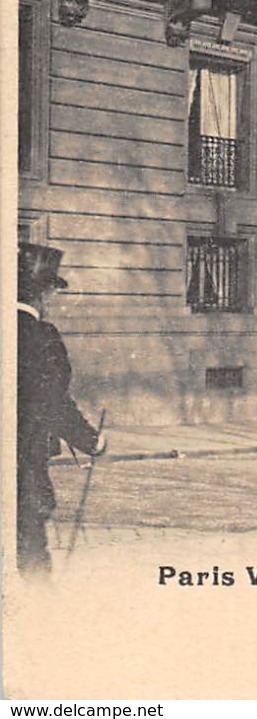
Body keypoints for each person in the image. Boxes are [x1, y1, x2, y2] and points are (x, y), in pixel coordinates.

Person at [16, 243, 105, 577]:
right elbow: (52, 402)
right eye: (52, 291)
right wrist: (91, 441)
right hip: (22, 463)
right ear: (42, 294)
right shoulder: (41, 336)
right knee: (31, 559)